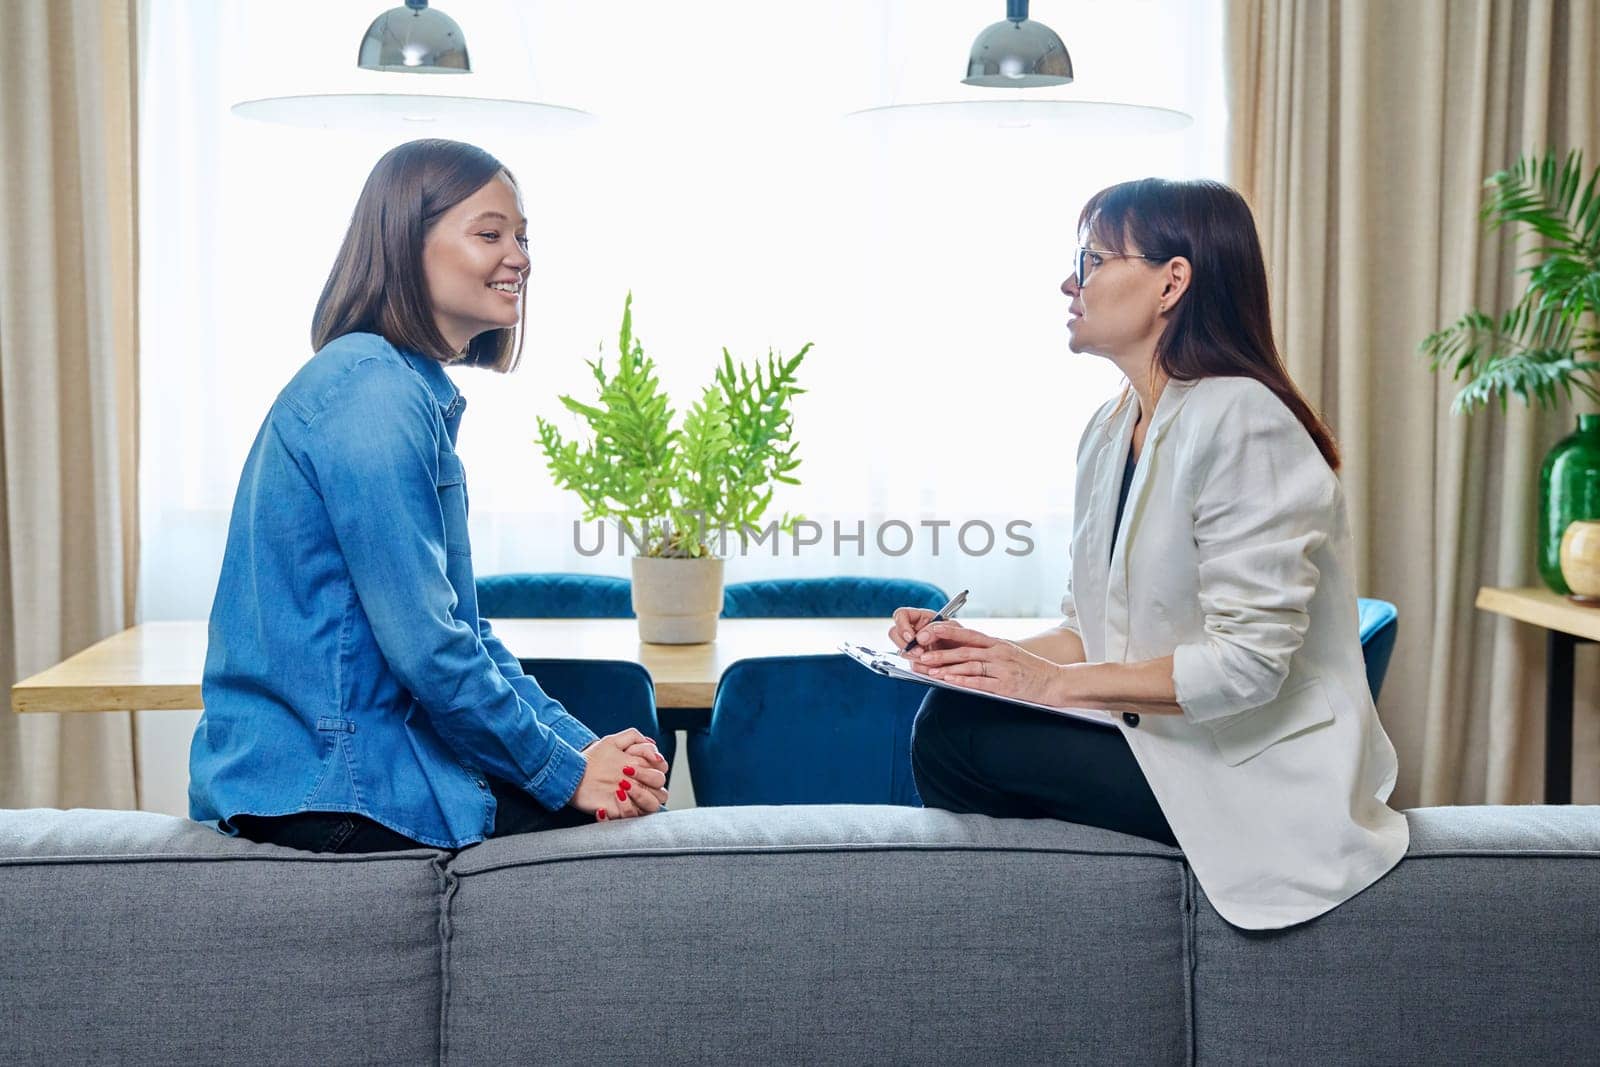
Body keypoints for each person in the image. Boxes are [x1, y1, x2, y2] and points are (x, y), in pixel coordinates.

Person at [894, 178, 1408, 930]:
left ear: (1173, 280)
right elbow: (1089, 630)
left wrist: (1050, 685)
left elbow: (1247, 664)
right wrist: (976, 654)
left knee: (957, 735)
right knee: (953, 712)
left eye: (1093, 258)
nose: (1070, 281)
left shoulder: (1245, 420)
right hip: (1171, 740)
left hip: (1257, 772)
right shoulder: (1110, 430)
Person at [189, 139, 668, 853]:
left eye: (523, 237)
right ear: (406, 246)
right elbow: (429, 649)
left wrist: (585, 751)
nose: (521, 257)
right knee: (620, 842)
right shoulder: (372, 395)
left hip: (349, 774)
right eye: (490, 233)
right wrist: (569, 773)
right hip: (331, 789)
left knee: (624, 807)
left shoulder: (400, 390)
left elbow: (464, 634)